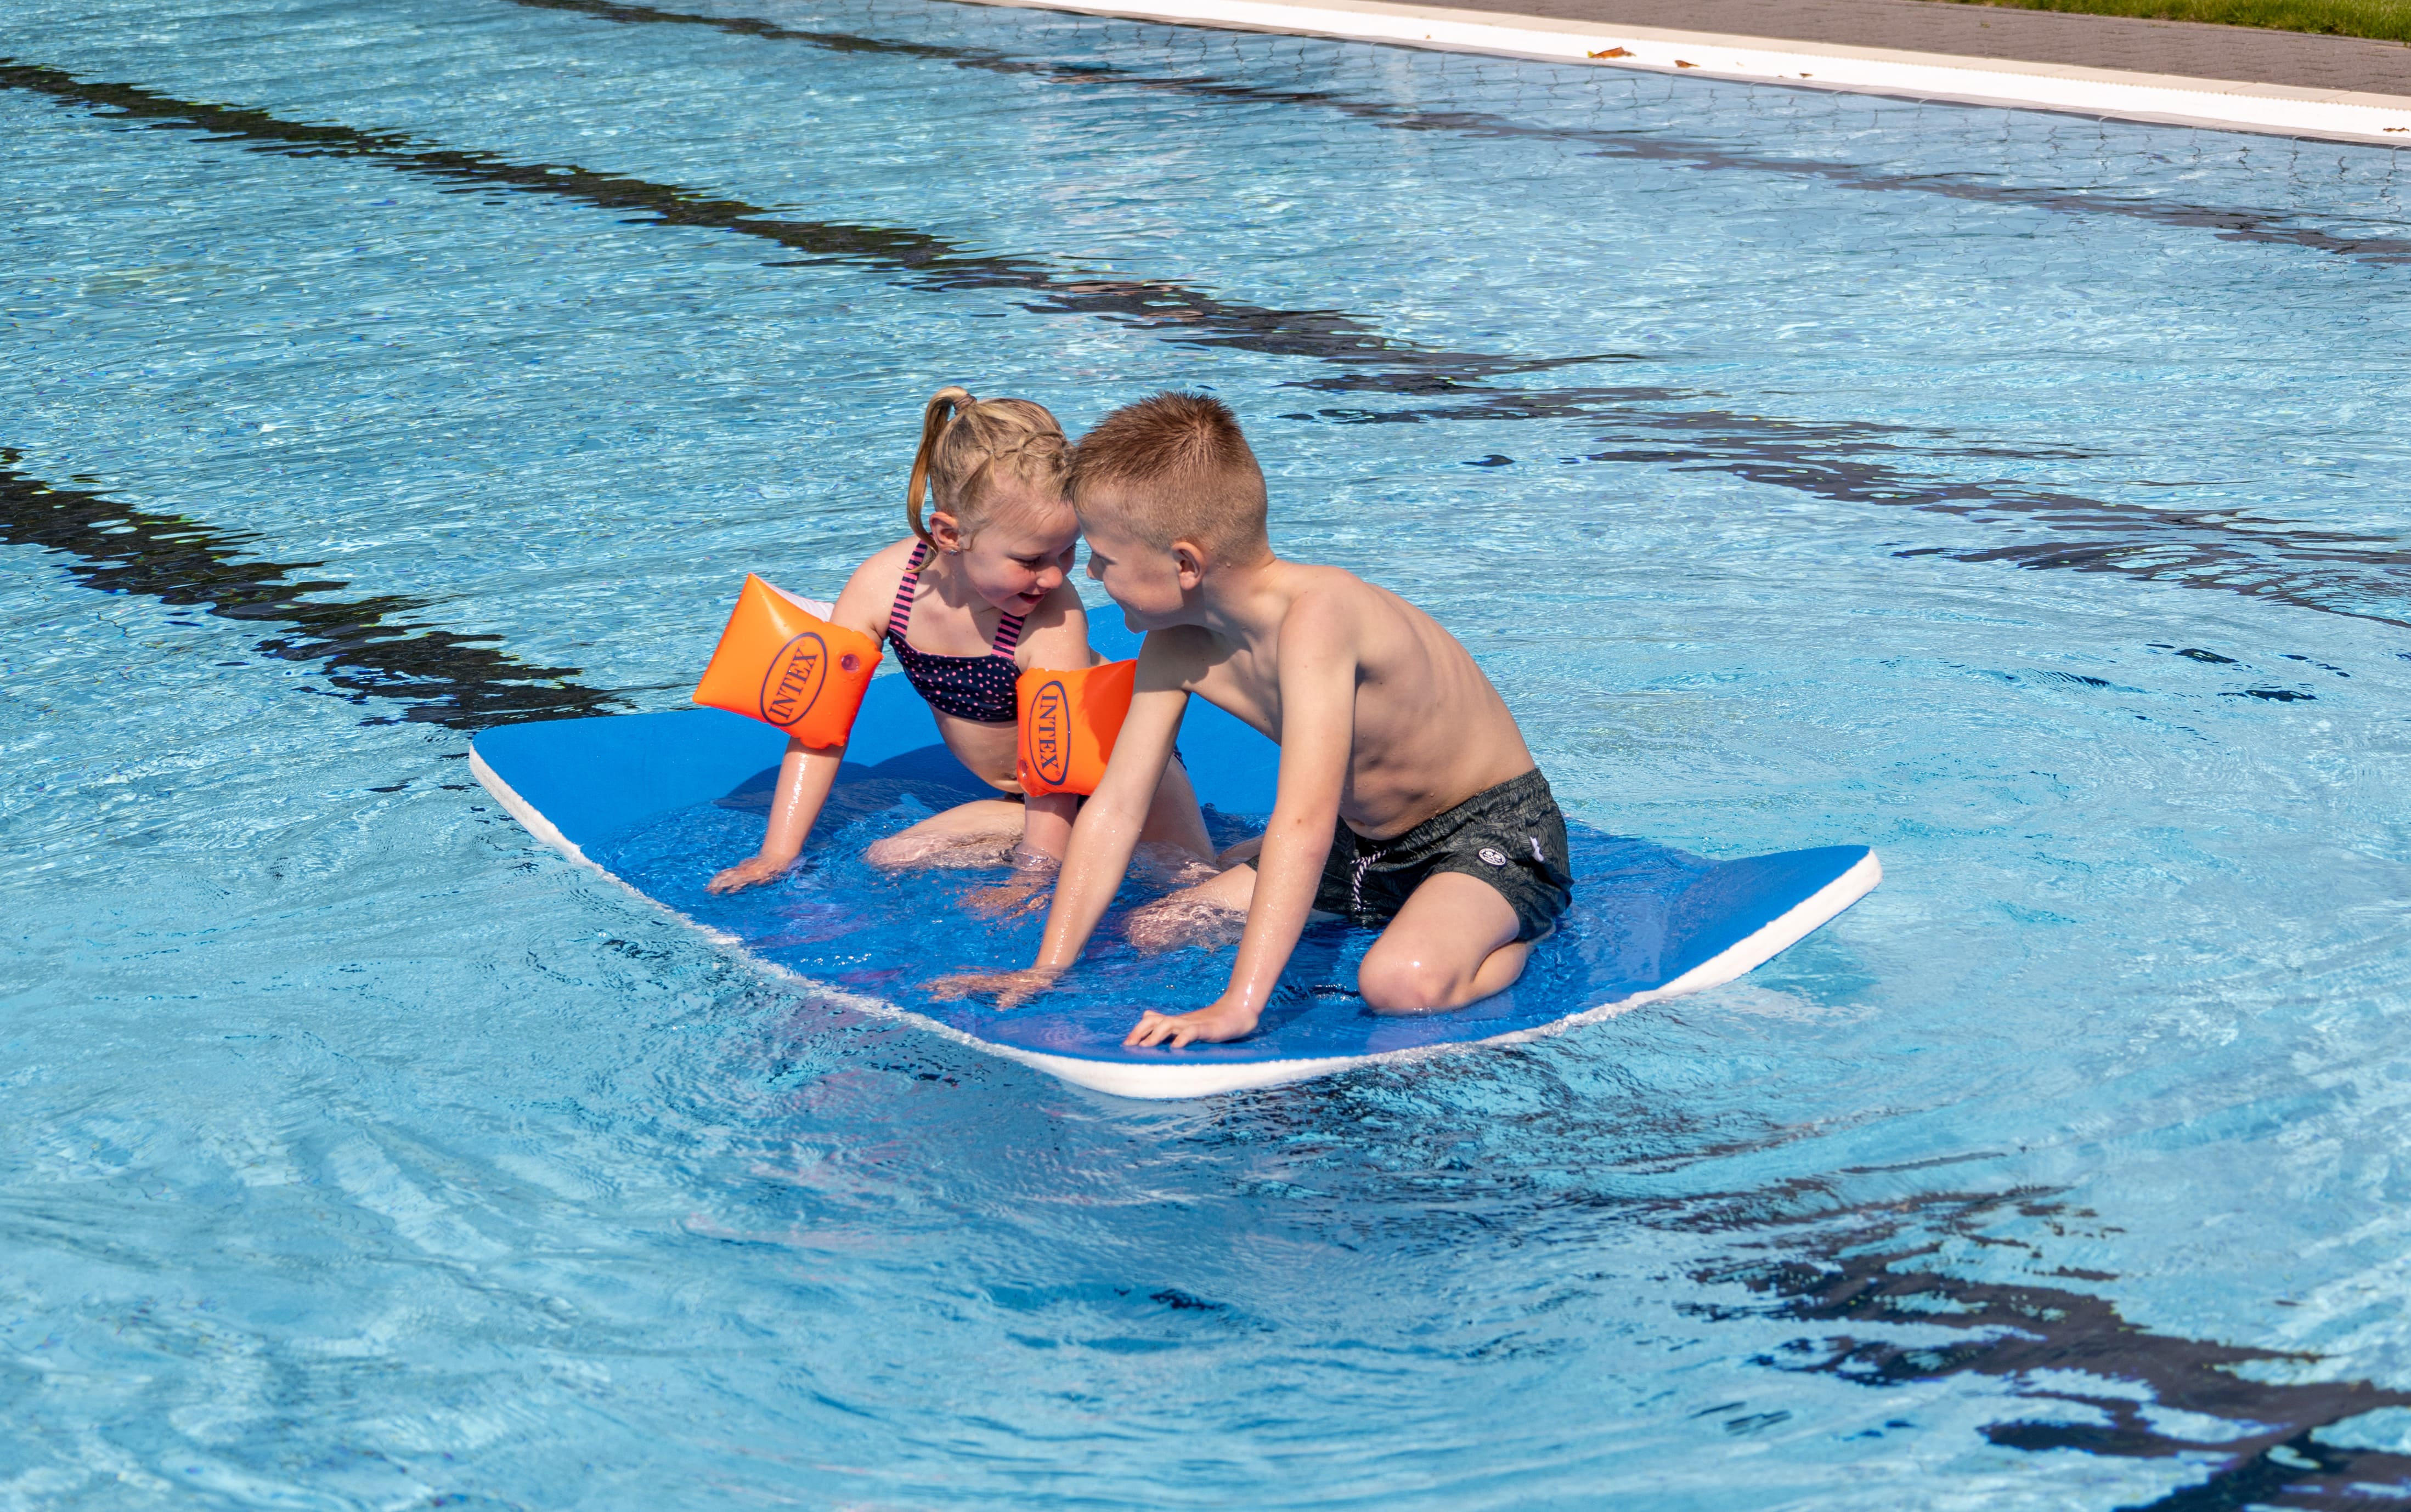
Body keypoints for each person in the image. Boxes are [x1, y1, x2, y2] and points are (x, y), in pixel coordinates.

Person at [933, 393, 1572, 1045]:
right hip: (1363, 844)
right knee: (1156, 928)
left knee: (1400, 983)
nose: (1090, 575)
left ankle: (1522, 923)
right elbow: (1118, 806)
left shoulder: (1320, 619)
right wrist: (1048, 968)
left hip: (1482, 830)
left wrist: (1240, 1003)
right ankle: (1412, 907)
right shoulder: (1176, 643)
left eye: (1103, 558)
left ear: (1184, 564)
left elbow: (1303, 823)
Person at [708, 387, 1213, 896]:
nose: (1056, 578)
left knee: (1186, 893)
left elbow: (1056, 776)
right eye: (1031, 559)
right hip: (1027, 799)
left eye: (1067, 553)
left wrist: (1028, 881)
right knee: (893, 855)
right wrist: (777, 854)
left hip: (1125, 786)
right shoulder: (883, 587)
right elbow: (819, 731)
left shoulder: (1051, 621)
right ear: (949, 535)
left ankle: (1258, 862)